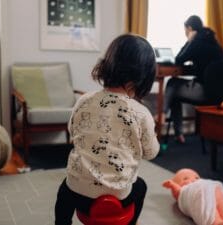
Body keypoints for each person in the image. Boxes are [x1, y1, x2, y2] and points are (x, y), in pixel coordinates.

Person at [54, 33, 160, 225]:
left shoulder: (84, 100)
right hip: (119, 195)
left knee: (64, 192)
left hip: (79, 193)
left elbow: (73, 130)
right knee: (141, 187)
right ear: (144, 77)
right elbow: (151, 153)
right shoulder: (141, 113)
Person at [162, 15, 223, 143]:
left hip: (206, 93)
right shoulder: (212, 40)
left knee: (172, 83)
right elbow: (204, 66)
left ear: (190, 28)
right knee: (175, 93)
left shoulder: (197, 41)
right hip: (220, 94)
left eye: (185, 31)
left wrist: (189, 41)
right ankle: (178, 134)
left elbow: (178, 59)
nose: (185, 34)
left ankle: (164, 115)